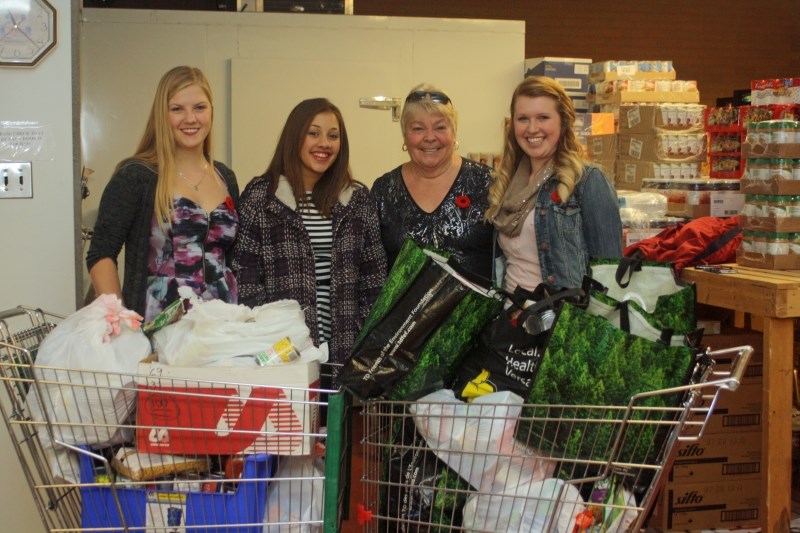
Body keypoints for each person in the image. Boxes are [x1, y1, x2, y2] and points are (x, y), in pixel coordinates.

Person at [231, 98, 387, 379]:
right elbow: (245, 276)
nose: (324, 143)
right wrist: (271, 333)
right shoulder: (262, 197)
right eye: (313, 133)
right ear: (294, 138)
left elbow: (374, 281)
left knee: (338, 423)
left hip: (346, 355)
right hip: (283, 353)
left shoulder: (357, 200)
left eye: (333, 135)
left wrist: (363, 335)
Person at [86, 66, 239, 321]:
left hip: (224, 326)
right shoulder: (136, 176)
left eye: (199, 107)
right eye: (177, 109)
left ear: (211, 110)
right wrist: (123, 323)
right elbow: (101, 254)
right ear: (162, 114)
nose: (190, 118)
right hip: (160, 326)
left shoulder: (225, 177)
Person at [486, 75, 622, 293]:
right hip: (511, 318)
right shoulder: (506, 183)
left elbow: (610, 275)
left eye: (543, 117)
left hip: (560, 320)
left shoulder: (588, 181)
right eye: (523, 119)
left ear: (563, 121)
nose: (532, 129)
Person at [371, 83, 495, 280]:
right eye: (418, 128)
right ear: (405, 135)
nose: (430, 137)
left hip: (476, 310)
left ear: (454, 132)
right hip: (404, 311)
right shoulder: (383, 190)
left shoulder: (487, 183)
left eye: (440, 127)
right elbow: (371, 267)